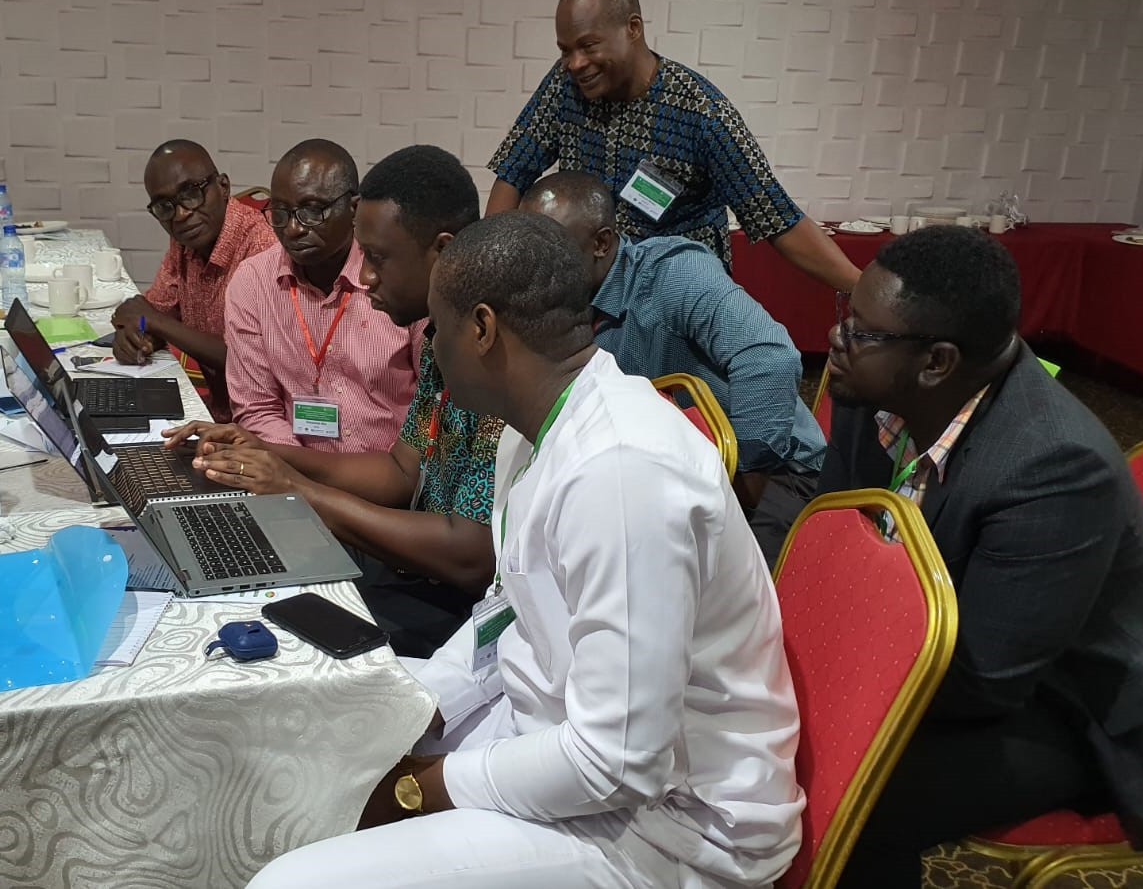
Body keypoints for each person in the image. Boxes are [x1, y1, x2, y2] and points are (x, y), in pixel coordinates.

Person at [244, 210, 802, 889]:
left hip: (671, 828)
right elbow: (506, 616)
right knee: (305, 743)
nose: (432, 350)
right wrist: (411, 709)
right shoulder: (533, 428)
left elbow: (618, 762)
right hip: (556, 736)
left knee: (292, 882)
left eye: (438, 331)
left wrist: (425, 787)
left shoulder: (621, 472)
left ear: (481, 329)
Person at [818, 225, 1143, 887]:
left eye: (863, 329)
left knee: (850, 790)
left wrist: (826, 684)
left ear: (936, 362)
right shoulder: (874, 390)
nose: (837, 340)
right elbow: (833, 539)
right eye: (845, 314)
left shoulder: (1053, 466)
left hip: (1064, 706)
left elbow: (986, 679)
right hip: (924, 651)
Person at [164, 146, 503, 657]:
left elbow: (471, 559)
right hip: (413, 567)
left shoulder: (487, 362)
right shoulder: (441, 342)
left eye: (379, 260)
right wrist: (266, 451)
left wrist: (296, 487)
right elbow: (400, 472)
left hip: (466, 610)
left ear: (442, 251)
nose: (365, 277)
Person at [522, 170, 824, 564]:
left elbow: (768, 358)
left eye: (552, 250)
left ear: (601, 243)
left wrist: (743, 477)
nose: (536, 267)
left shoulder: (671, 275)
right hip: (669, 477)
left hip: (775, 472)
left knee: (733, 600)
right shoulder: (562, 299)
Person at [485, 0, 859, 292]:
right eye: (565, 50)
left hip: (675, 296)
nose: (575, 63)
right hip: (591, 288)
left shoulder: (702, 112)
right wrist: (491, 269)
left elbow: (777, 217)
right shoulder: (565, 85)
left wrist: (862, 290)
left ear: (633, 28)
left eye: (589, 45)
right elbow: (513, 172)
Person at [223, 138, 423, 454]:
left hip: (392, 483)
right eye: (280, 212)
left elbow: (432, 411)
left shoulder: (396, 280)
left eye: (312, 211)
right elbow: (256, 408)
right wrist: (301, 479)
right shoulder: (254, 283)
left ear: (354, 208)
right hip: (294, 471)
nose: (292, 229)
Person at [112, 139, 277, 421]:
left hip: (261, 422)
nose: (182, 214)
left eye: (191, 193)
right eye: (165, 207)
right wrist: (136, 335)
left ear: (223, 187)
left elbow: (247, 359)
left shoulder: (263, 247)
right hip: (213, 409)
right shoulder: (186, 240)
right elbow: (154, 310)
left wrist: (154, 322)